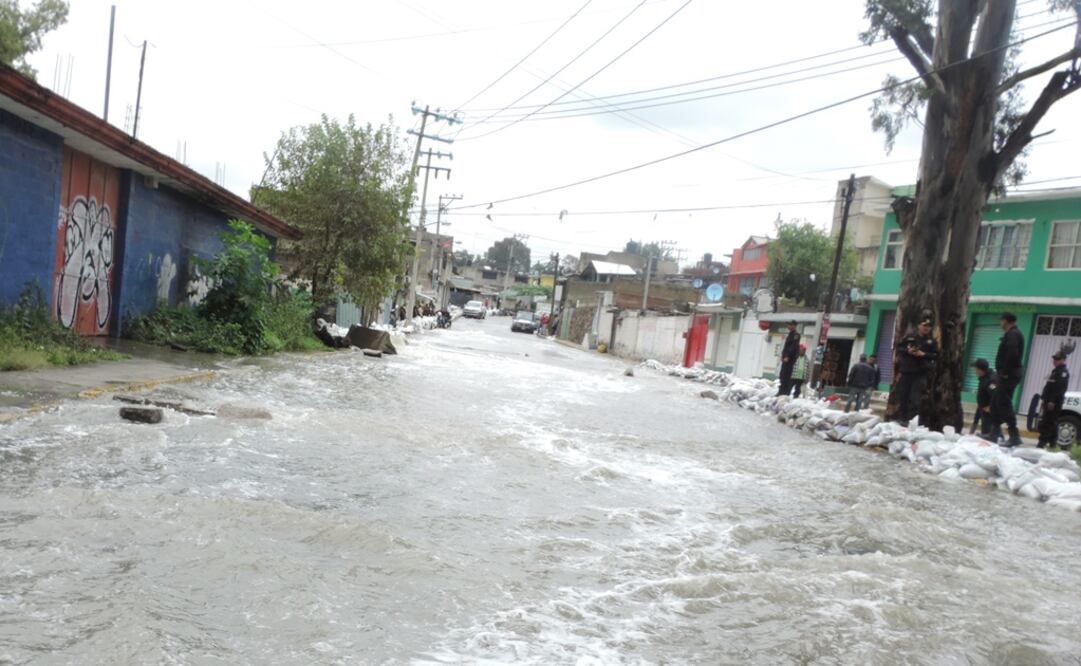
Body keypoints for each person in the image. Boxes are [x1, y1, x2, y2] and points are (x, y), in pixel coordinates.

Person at [892, 319, 939, 426]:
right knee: (903, 396)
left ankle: (911, 421)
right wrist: (908, 351)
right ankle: (902, 419)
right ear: (918, 326)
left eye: (929, 326)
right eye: (924, 325)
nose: (926, 328)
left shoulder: (931, 341)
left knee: (915, 398)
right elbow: (899, 348)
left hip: (920, 373)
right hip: (906, 371)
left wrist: (924, 354)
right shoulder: (909, 338)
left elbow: (936, 355)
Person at [994, 312, 1025, 447]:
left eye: (1001, 320)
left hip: (1009, 375)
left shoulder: (1013, 334)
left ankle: (1014, 436)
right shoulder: (1013, 333)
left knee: (1004, 403)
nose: (1000, 323)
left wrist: (1005, 373)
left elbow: (1012, 354)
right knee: (996, 402)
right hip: (1008, 374)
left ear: (1006, 321)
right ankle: (994, 432)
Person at [1037, 351, 1071, 449]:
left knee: (1048, 422)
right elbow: (1048, 387)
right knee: (1051, 422)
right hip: (1049, 401)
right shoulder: (1055, 371)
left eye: (1057, 359)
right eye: (1054, 359)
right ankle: (1052, 443)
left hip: (1054, 402)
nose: (1055, 361)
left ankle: (1042, 442)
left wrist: (1052, 401)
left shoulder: (1063, 372)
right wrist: (1044, 399)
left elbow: (1059, 389)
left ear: (1063, 360)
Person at [970, 358, 1008, 441]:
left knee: (990, 437)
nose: (974, 371)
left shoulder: (991, 380)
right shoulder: (984, 378)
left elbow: (997, 395)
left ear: (980, 369)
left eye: (975, 369)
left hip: (990, 414)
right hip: (985, 412)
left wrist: (991, 407)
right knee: (991, 435)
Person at [777, 320, 801, 397]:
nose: (789, 326)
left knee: (787, 376)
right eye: (788, 325)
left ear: (794, 326)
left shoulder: (796, 335)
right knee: (782, 375)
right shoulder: (790, 334)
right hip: (786, 358)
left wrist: (787, 356)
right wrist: (783, 355)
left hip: (790, 359)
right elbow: (786, 347)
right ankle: (781, 391)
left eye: (790, 325)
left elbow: (793, 347)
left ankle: (785, 393)